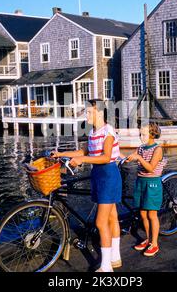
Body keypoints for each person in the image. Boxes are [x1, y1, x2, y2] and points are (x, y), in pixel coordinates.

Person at [52, 99, 122, 272]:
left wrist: (82, 160)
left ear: (99, 112)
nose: (86, 115)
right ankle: (115, 257)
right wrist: (61, 153)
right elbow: (83, 152)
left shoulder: (108, 131)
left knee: (100, 222)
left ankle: (106, 268)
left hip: (108, 174)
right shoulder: (92, 132)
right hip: (99, 175)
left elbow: (106, 157)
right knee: (112, 217)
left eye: (89, 112)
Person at [127, 122, 167, 257]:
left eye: (143, 134)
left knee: (151, 214)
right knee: (143, 214)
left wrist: (138, 157)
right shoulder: (141, 148)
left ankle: (154, 244)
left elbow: (151, 168)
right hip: (141, 182)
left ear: (152, 134)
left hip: (152, 183)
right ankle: (148, 239)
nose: (141, 136)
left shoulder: (158, 149)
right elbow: (129, 158)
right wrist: (118, 156)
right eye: (140, 134)